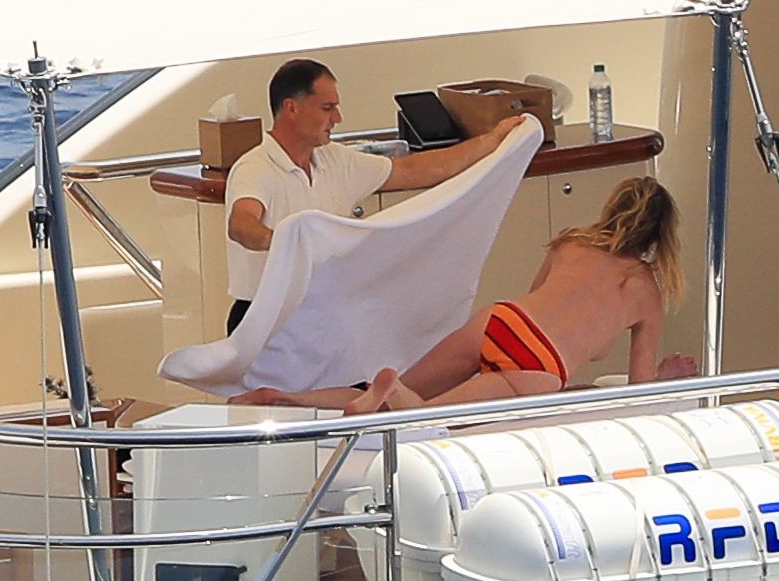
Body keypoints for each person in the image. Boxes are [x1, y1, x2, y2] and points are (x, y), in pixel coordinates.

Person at [230, 176, 698, 412]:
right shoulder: (646, 290)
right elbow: (638, 396)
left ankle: (290, 398)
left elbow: (538, 302)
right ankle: (393, 394)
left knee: (393, 389)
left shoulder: (572, 243)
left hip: (504, 320)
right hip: (539, 362)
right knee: (423, 419)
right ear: (664, 236)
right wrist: (663, 377)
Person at [225, 58, 523, 334]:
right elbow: (241, 225)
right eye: (327, 108)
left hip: (323, 314)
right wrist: (286, 242)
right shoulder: (255, 167)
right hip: (264, 318)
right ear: (292, 108)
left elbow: (413, 170)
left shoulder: (336, 160)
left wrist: (492, 140)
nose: (337, 117)